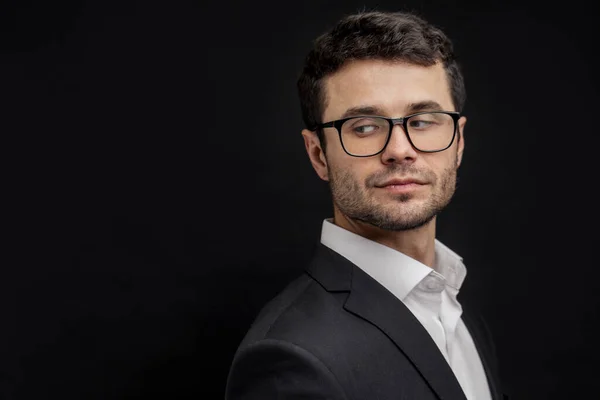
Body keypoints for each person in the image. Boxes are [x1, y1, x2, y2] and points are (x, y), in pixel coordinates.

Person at [225, 10, 507, 400]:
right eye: (364, 127)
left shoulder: (457, 309)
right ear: (318, 155)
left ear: (458, 142)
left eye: (423, 120)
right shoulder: (292, 358)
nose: (399, 151)